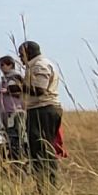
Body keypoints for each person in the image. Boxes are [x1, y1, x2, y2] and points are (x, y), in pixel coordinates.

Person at [9, 40, 64, 185]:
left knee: (42, 148)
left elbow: (40, 89)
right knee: (38, 148)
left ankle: (48, 184)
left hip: (43, 109)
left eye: (21, 55)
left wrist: (19, 87)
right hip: (39, 109)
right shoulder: (34, 66)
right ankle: (43, 183)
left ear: (29, 53)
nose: (20, 58)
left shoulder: (40, 66)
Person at [0, 55, 26, 160]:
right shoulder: (6, 78)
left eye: (3, 65)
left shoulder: (15, 77)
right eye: (0, 65)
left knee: (14, 138)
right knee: (10, 137)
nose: (1, 67)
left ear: (10, 65)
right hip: (7, 111)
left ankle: (17, 158)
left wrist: (7, 91)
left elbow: (20, 91)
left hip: (13, 111)